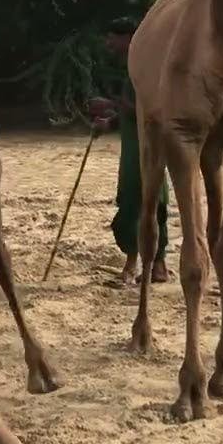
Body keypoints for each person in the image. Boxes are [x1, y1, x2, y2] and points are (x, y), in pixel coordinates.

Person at [88, 17, 171, 285]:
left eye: (112, 37)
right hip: (139, 147)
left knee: (136, 203)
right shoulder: (135, 67)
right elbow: (133, 113)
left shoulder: (147, 68)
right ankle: (157, 266)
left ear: (127, 38)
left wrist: (110, 104)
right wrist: (109, 122)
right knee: (148, 202)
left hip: (146, 149)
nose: (108, 43)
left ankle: (132, 266)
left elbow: (152, 111)